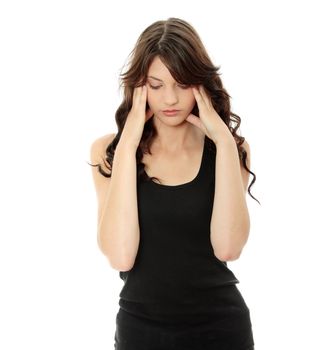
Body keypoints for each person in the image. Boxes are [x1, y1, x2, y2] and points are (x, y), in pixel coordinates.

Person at [89, 17, 259, 350]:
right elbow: (121, 256)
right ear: (139, 86)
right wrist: (127, 144)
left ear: (200, 84)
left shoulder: (231, 148)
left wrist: (224, 143)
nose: (169, 99)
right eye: (156, 85)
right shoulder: (109, 151)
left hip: (222, 329)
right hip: (141, 331)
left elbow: (228, 247)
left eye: (181, 84)